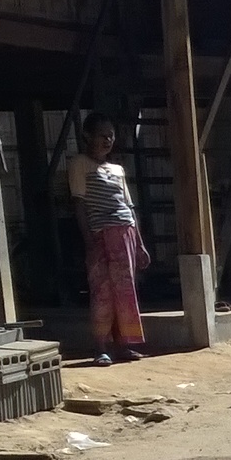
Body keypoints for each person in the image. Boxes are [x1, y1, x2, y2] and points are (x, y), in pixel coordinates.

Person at [66, 115, 147, 364]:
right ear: (88, 136)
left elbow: (129, 206)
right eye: (102, 135)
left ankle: (123, 345)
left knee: (125, 290)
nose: (108, 140)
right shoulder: (79, 164)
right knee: (102, 292)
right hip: (100, 234)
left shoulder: (117, 170)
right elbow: (79, 204)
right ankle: (101, 347)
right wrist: (88, 238)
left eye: (111, 135)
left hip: (126, 233)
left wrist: (140, 245)